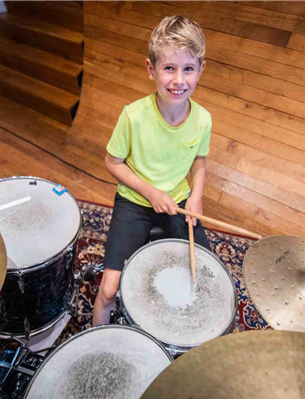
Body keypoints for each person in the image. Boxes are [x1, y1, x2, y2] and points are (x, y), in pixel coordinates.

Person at [92, 15, 212, 326]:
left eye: (188, 69)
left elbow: (199, 161)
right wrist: (151, 192)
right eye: (169, 68)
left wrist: (196, 197)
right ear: (151, 69)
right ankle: (95, 344)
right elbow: (112, 162)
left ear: (201, 70)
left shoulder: (203, 119)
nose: (178, 80)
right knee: (108, 291)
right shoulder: (133, 116)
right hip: (135, 201)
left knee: (204, 281)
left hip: (179, 199)